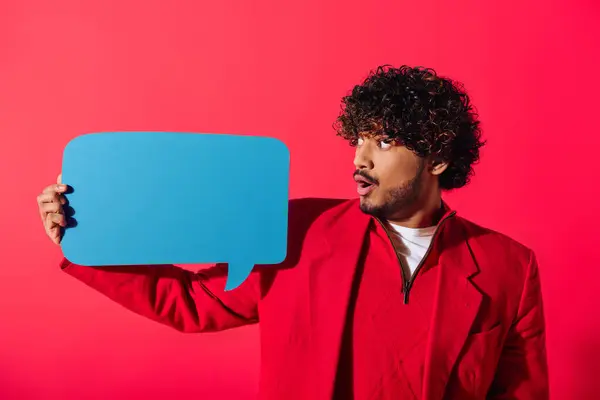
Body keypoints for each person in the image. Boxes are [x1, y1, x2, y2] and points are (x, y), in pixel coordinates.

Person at [37, 65, 549, 400]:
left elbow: (520, 390)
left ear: (438, 156)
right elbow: (193, 303)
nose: (359, 158)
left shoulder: (509, 266)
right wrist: (85, 242)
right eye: (358, 139)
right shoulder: (298, 229)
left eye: (384, 141)